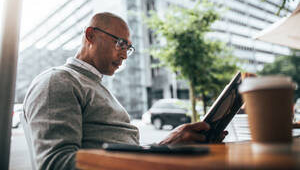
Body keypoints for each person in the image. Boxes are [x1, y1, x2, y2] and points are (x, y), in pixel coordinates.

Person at [24, 12, 227, 170]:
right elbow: (57, 164)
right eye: (120, 43)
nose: (125, 56)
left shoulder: (95, 85)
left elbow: (124, 152)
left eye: (128, 48)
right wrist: (161, 151)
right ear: (90, 35)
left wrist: (167, 146)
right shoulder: (58, 81)